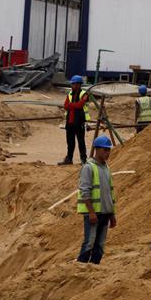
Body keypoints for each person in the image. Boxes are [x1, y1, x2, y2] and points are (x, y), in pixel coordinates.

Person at [77, 136, 116, 264]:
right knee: (89, 243)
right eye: (105, 150)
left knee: (100, 245)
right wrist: (91, 212)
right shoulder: (89, 167)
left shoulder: (106, 168)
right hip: (94, 214)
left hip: (105, 213)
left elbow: (110, 193)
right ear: (97, 149)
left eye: (108, 150)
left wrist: (112, 214)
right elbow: (85, 191)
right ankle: (80, 267)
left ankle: (94, 268)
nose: (107, 153)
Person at [60, 75, 89, 165]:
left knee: (81, 141)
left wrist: (71, 105)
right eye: (72, 84)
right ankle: (69, 159)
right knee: (70, 142)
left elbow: (80, 105)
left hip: (79, 121)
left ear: (79, 84)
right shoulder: (70, 94)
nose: (73, 85)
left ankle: (84, 159)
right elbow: (65, 106)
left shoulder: (84, 94)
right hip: (70, 121)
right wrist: (73, 105)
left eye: (74, 84)